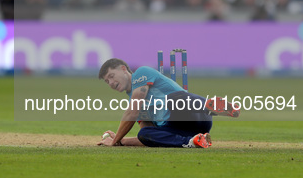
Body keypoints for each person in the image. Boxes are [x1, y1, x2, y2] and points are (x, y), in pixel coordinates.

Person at [97, 58, 239, 148]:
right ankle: (193, 141)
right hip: (180, 129)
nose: (110, 82)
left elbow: (132, 112)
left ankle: (211, 107)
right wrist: (121, 140)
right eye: (107, 81)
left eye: (111, 76)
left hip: (194, 114)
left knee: (174, 100)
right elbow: (149, 137)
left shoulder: (141, 73)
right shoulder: (133, 101)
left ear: (123, 69)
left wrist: (115, 140)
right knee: (145, 133)